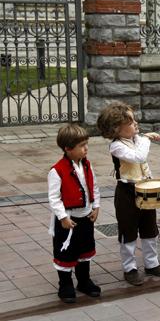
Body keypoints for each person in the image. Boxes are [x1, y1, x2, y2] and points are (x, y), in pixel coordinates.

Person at [97, 103, 160, 286]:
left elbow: (139, 150)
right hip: (127, 192)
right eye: (130, 122)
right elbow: (138, 157)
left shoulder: (136, 138)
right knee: (128, 232)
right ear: (117, 129)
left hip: (145, 189)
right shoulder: (116, 146)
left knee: (150, 229)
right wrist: (146, 139)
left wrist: (142, 137)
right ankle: (129, 268)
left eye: (134, 120)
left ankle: (151, 263)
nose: (136, 124)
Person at [48, 124, 101, 303]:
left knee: (85, 249)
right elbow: (54, 198)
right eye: (81, 145)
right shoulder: (57, 171)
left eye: (86, 144)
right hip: (68, 219)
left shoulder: (87, 165)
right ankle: (65, 285)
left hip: (86, 215)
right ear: (67, 149)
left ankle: (84, 281)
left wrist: (96, 206)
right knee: (66, 252)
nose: (86, 148)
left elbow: (93, 186)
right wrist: (62, 217)